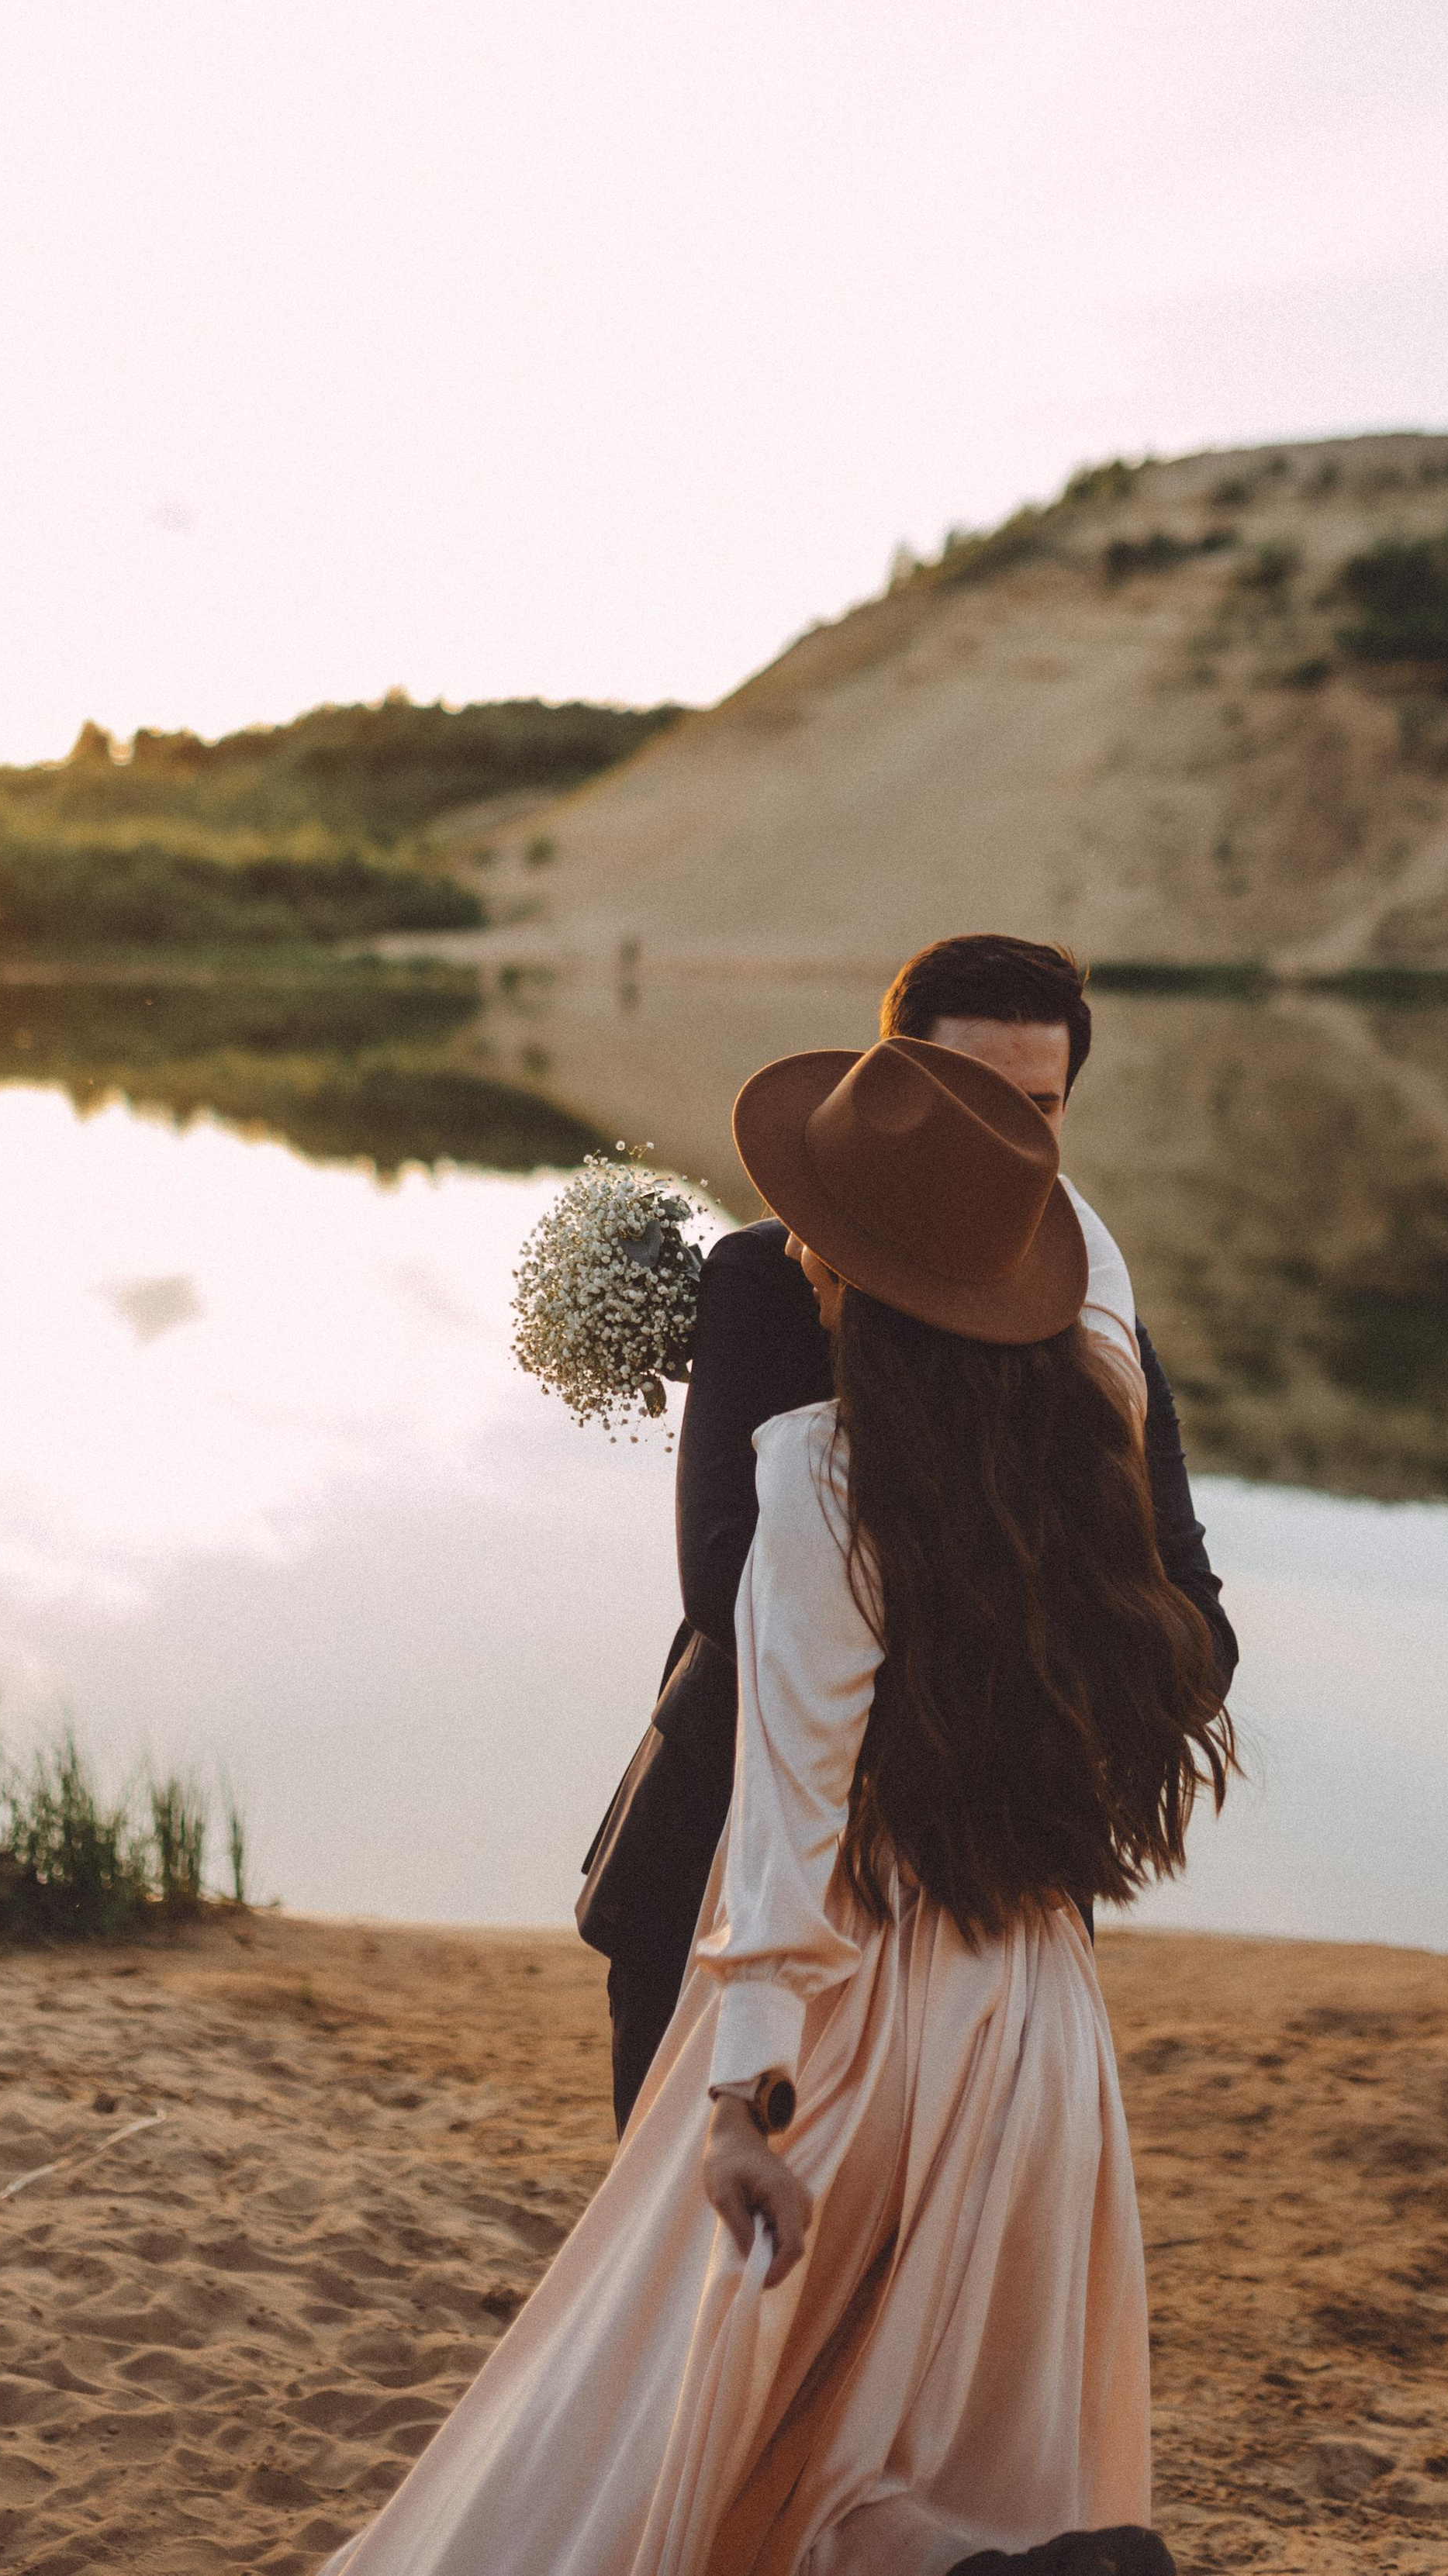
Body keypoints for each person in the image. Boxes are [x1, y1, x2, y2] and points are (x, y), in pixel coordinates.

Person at [323, 1038, 1232, 2576]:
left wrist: (743, 2099)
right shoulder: (1082, 1435)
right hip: (1031, 2026)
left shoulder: (819, 1479)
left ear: (854, 1270)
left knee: (715, 2429)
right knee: (946, 2432)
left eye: (817, 1225)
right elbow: (1088, 1288)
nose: (791, 1244)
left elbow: (787, 1799)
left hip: (848, 2010)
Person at [579, 936, 1236, 2132]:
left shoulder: (1095, 1326)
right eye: (970, 1100)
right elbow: (725, 1575)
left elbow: (1196, 1620)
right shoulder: (767, 1282)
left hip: (984, 1887)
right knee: (684, 2267)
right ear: (894, 1077)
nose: (1008, 1143)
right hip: (724, 1840)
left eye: (1037, 1109)